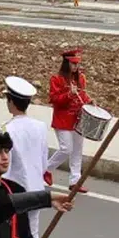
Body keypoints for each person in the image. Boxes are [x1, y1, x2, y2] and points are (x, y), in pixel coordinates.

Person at [0, 77, 49, 238]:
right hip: (37, 192)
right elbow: (42, 162)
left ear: (11, 102)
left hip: (16, 192)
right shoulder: (40, 127)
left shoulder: (7, 130)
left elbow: (5, 166)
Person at [43, 49, 92, 193]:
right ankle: (45, 169)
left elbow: (83, 95)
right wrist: (69, 94)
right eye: (73, 64)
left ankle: (75, 181)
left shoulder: (81, 78)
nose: (76, 67)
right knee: (66, 148)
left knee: (77, 150)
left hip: (78, 120)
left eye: (77, 64)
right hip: (63, 120)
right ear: (66, 63)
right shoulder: (56, 79)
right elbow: (55, 100)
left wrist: (90, 101)